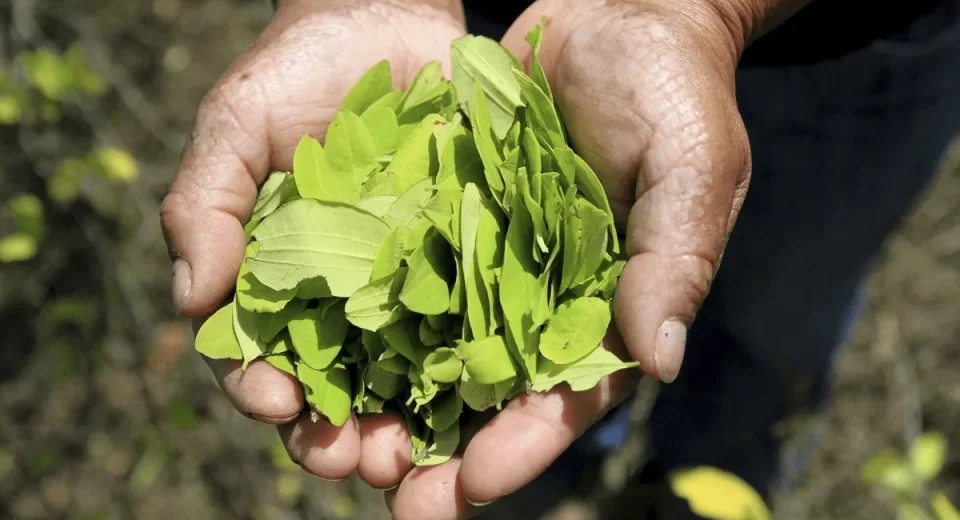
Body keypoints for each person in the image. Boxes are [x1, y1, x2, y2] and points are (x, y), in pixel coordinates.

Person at [159, 0, 960, 518]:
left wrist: (704, 10)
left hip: (852, 51)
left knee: (777, 319)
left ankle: (714, 478)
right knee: (528, 434)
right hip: (517, 24)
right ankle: (543, 495)